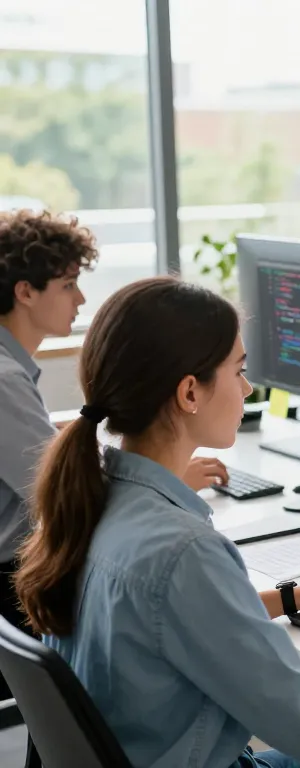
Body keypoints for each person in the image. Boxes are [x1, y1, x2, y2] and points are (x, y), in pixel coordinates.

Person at [14, 277, 300, 768]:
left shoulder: (91, 500)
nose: (248, 389)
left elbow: (163, 617)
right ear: (190, 392)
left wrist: (294, 597)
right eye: (239, 371)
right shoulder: (182, 550)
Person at [0, 211, 229, 637]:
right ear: (25, 292)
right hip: (15, 590)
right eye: (68, 285)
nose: (81, 298)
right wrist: (165, 482)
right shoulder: (4, 380)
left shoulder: (12, 370)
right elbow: (58, 492)